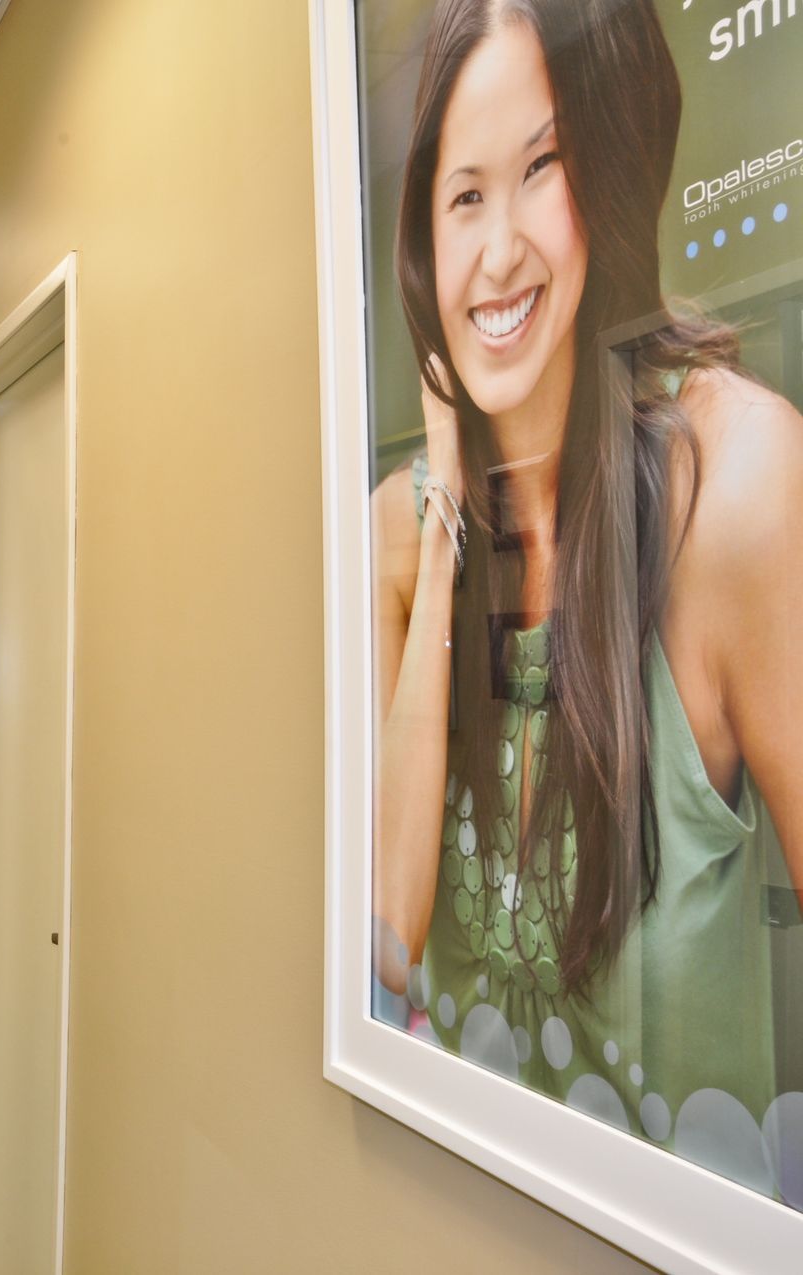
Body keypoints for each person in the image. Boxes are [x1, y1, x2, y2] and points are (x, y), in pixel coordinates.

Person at [370, 0, 803, 1188]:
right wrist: (450, 512)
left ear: (604, 175)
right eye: (464, 195)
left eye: (541, 168)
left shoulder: (742, 483)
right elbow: (385, 947)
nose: (498, 250)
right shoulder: (402, 535)